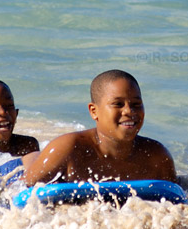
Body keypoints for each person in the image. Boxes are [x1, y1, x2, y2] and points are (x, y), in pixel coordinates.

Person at [22, 70, 177, 185]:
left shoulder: (156, 157)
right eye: (118, 104)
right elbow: (26, 190)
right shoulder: (68, 148)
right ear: (94, 111)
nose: (129, 111)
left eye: (136, 104)